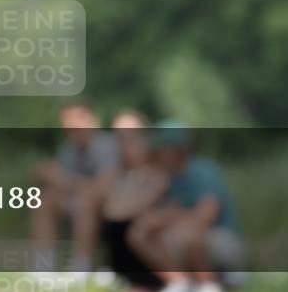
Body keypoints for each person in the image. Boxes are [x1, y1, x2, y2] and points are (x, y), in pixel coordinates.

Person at [127, 120, 243, 292]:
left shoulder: (203, 170)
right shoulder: (165, 177)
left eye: (162, 148)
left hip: (222, 241)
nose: (158, 154)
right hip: (183, 241)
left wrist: (166, 216)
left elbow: (205, 216)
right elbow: (137, 214)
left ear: (177, 149)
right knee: (139, 233)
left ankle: (208, 284)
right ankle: (180, 282)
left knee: (188, 229)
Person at [31, 100, 119, 271]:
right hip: (79, 204)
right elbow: (65, 185)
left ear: (92, 120)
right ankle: (43, 265)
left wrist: (62, 178)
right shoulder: (68, 149)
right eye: (66, 119)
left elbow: (103, 187)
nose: (70, 123)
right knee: (44, 198)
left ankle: (81, 266)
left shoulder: (106, 144)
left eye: (77, 118)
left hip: (110, 207)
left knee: (85, 200)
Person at [95, 110, 168, 291]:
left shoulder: (156, 174)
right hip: (122, 243)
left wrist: (120, 204)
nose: (128, 146)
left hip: (149, 241)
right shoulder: (117, 173)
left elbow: (120, 209)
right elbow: (105, 204)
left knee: (134, 226)